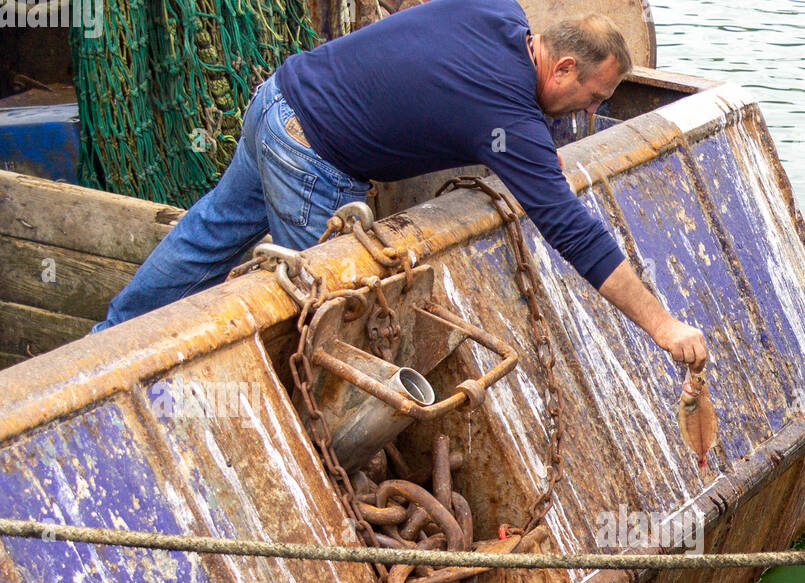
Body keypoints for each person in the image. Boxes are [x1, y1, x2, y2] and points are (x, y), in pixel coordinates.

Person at [93, 1, 708, 371]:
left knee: (209, 235)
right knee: (350, 316)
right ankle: (329, 466)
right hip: (312, 154)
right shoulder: (508, 117)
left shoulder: (499, 12)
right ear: (564, 66)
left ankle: (103, 341)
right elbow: (572, 229)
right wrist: (663, 327)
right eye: (591, 98)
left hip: (279, 98)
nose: (587, 115)